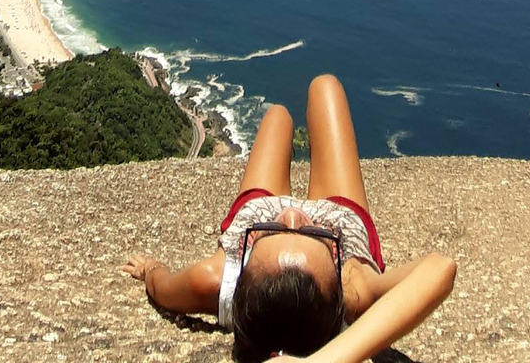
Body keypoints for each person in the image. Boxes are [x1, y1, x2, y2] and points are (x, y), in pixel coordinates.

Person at [120, 75, 457, 363]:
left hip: (261, 213)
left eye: (269, 234)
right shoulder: (353, 292)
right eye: (312, 235)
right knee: (325, 86)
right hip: (338, 221)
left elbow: (160, 288)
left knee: (277, 116)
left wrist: (149, 268)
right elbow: (440, 267)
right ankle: (296, 237)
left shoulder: (210, 280)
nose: (295, 213)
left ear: (241, 273)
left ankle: (288, 235)